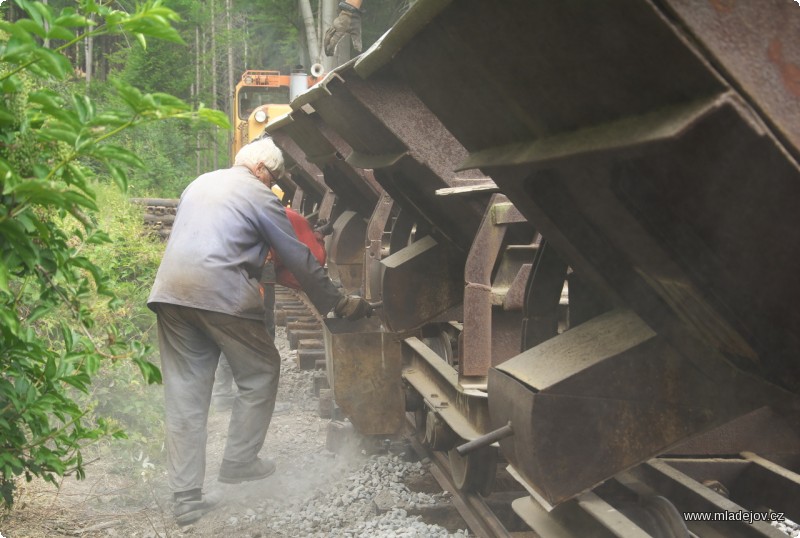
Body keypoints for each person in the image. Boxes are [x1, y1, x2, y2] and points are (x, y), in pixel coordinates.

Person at [147, 137, 371, 526]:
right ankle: (239, 461)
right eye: (276, 178)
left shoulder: (199, 183)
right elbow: (296, 255)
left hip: (169, 293)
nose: (274, 185)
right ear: (263, 170)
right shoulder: (259, 195)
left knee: (185, 392)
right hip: (220, 292)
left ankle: (185, 498)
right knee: (262, 369)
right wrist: (336, 301)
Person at [211, 208, 329, 412]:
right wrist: (318, 238)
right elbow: (312, 261)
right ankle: (260, 399)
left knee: (232, 329)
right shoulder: (294, 220)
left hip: (226, 268)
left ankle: (222, 394)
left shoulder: (252, 207)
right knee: (263, 331)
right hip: (257, 270)